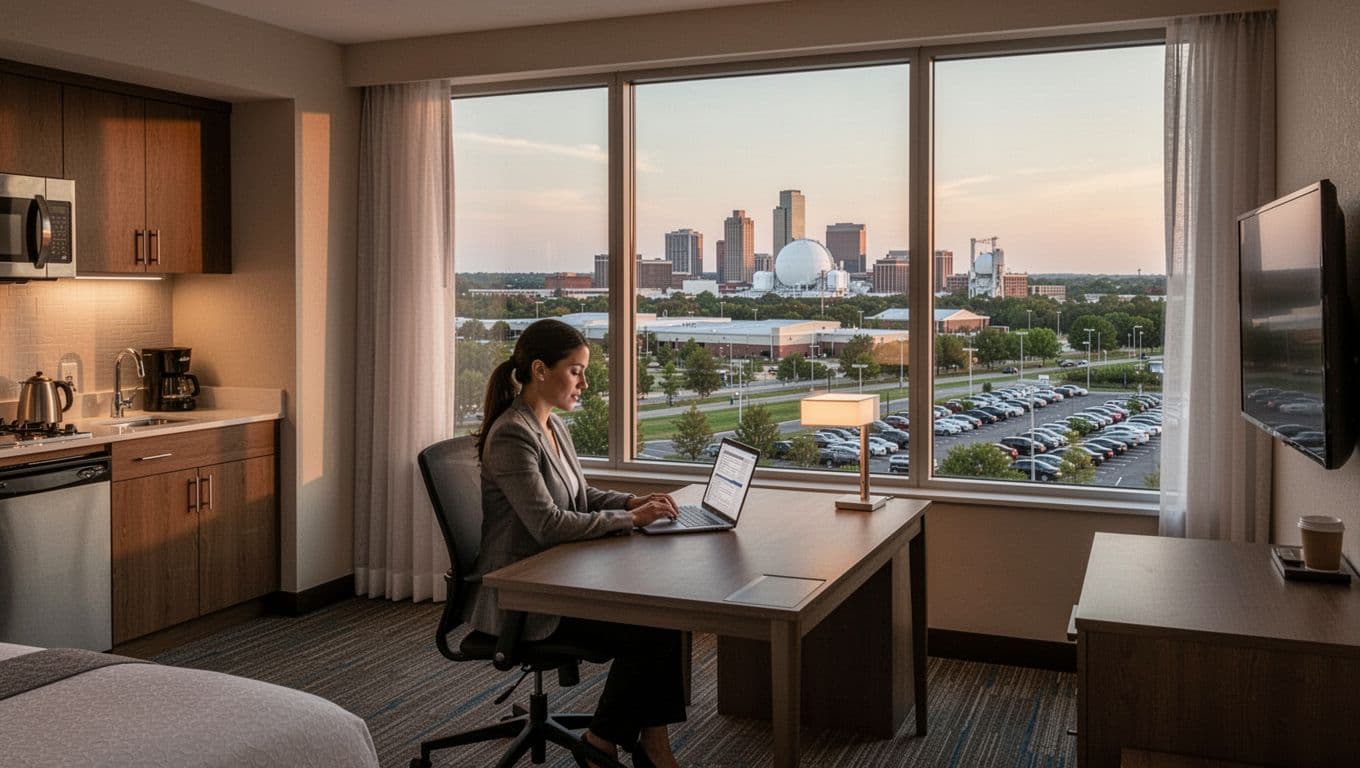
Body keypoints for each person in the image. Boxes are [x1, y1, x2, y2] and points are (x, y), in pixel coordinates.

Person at [465, 318, 686, 768]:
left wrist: (631, 499)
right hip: (524, 597)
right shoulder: (512, 434)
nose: (585, 382)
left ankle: (651, 745)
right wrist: (630, 518)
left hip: (560, 575)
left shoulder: (551, 426)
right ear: (541, 370)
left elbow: (580, 498)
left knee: (662, 616)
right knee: (652, 628)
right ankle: (604, 742)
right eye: (576, 371)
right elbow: (548, 523)